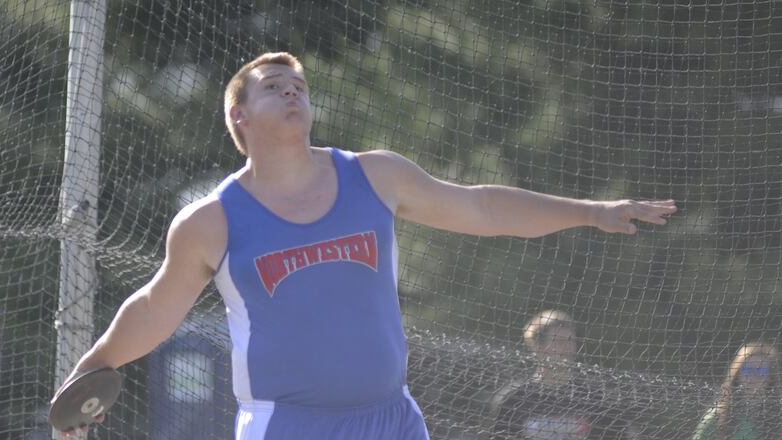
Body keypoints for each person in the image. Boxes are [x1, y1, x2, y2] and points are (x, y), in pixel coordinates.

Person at [53, 52, 676, 439]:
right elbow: (155, 309)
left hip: (391, 418)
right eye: (273, 85)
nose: (292, 90)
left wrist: (593, 211)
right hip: (288, 425)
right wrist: (94, 366)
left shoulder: (375, 175)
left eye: (297, 84)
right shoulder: (211, 221)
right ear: (237, 116)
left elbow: (484, 206)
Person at [489, 310, 640, 439]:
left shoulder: (596, 399)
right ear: (538, 347)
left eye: (571, 341)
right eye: (559, 342)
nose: (568, 349)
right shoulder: (513, 399)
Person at [692, 342, 781, 440]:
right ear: (737, 373)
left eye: (762, 371)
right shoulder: (718, 416)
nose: (754, 376)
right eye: (748, 370)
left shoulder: (777, 418)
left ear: (771, 377)